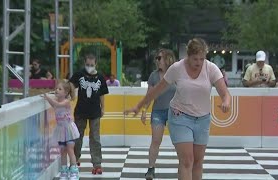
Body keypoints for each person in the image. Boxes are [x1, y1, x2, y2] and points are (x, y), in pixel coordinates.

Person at [125, 38, 230, 180]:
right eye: (195, 59)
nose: (199, 63)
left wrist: (226, 101)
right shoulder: (177, 68)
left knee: (198, 162)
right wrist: (139, 106)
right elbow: (157, 90)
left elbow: (225, 92)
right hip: (180, 117)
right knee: (187, 161)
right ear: (188, 56)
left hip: (203, 119)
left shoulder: (211, 68)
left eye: (201, 59)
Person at [69, 53, 109, 175]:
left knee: (95, 138)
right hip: (80, 111)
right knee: (77, 136)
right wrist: (72, 93)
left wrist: (103, 107)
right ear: (84, 63)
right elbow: (70, 83)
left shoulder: (100, 78)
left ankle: (97, 164)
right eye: (87, 64)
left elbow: (102, 93)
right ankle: (74, 159)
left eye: (91, 65)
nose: (89, 66)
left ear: (95, 64)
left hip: (95, 111)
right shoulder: (79, 74)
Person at [141, 49, 176, 179]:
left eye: (159, 58)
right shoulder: (154, 76)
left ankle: (184, 167)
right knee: (156, 140)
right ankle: (151, 169)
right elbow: (149, 95)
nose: (157, 60)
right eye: (156, 58)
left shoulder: (176, 74)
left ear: (168, 59)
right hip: (158, 112)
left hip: (175, 112)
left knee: (179, 141)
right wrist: (144, 110)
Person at [43, 80, 80, 179]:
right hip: (60, 130)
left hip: (68, 129)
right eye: (56, 88)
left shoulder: (66, 101)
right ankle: (64, 171)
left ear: (66, 92)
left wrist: (47, 98)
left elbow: (57, 105)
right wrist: (48, 98)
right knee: (63, 151)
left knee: (70, 149)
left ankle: (74, 171)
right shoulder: (56, 101)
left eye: (60, 89)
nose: (57, 90)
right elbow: (55, 105)